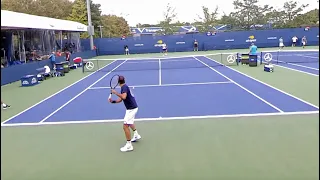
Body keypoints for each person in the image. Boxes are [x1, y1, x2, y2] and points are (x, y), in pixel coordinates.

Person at [109, 76, 141, 152]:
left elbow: (123, 96)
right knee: (130, 122)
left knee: (125, 126)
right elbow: (121, 99)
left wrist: (115, 92)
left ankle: (129, 145)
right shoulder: (124, 87)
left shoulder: (124, 88)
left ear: (118, 82)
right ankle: (136, 135)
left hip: (131, 109)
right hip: (132, 108)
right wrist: (113, 101)